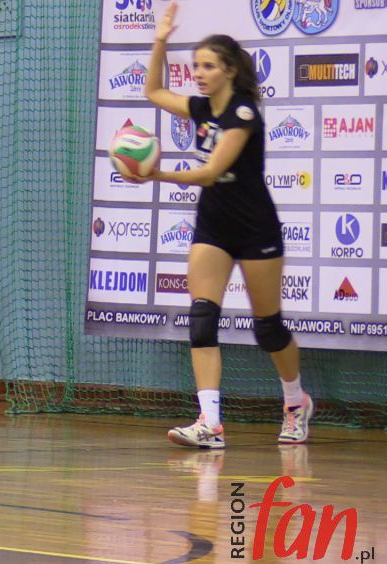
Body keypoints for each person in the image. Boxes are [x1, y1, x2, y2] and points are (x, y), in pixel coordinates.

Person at [124, 2, 313, 448]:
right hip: (214, 226)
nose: (199, 73)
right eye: (195, 66)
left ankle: (295, 403)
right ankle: (210, 423)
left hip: (255, 228)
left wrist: (155, 174)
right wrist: (159, 40)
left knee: (268, 328)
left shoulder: (243, 114)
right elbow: (153, 91)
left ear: (229, 70)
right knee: (202, 317)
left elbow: (211, 172)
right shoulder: (201, 107)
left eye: (208, 66)